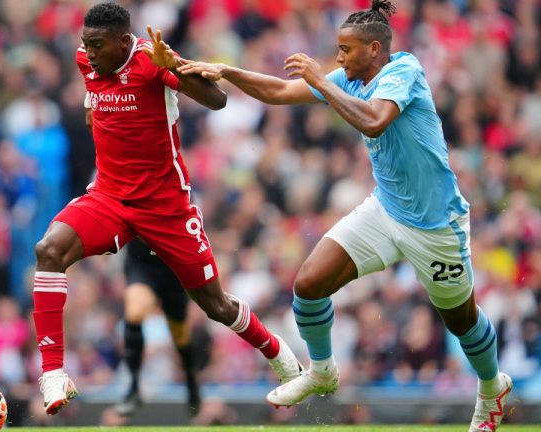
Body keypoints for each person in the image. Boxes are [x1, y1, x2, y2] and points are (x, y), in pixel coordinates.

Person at [177, 1, 512, 430]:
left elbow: (374, 121)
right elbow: (280, 91)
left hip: (434, 226)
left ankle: (491, 388)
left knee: (460, 321)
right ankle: (321, 371)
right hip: (385, 209)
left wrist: (319, 79)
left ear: (374, 48)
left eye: (345, 50)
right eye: (337, 50)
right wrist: (226, 70)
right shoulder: (350, 78)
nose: (338, 58)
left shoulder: (403, 72)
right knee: (309, 284)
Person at [32, 2, 301, 416]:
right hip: (110, 197)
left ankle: (277, 353)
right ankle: (53, 373)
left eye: (98, 45)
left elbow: (218, 100)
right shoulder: (88, 58)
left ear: (125, 42)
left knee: (215, 305)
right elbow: (94, 105)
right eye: (86, 43)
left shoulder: (152, 60)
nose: (89, 52)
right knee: (49, 250)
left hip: (165, 206)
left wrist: (174, 67)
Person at [113, 238, 201, 418]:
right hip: (141, 262)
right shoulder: (129, 207)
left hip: (173, 265)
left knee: (180, 334)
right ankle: (134, 387)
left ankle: (191, 381)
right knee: (135, 312)